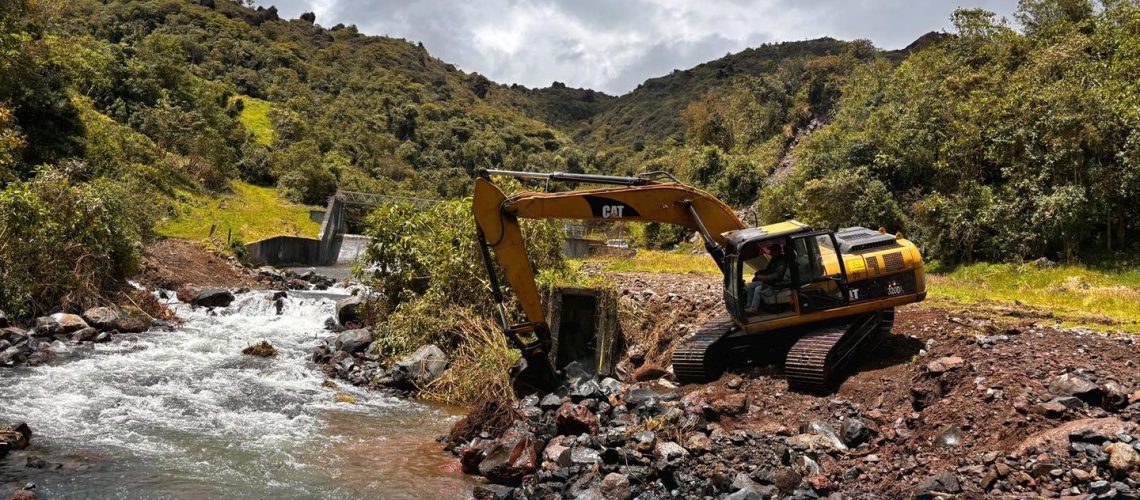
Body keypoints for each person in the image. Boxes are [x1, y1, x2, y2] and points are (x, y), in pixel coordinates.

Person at [746, 244, 788, 312]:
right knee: (750, 286)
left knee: (758, 289)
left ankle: (754, 309)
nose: (770, 252)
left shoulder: (782, 261)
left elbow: (778, 275)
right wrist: (760, 273)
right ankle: (749, 305)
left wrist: (765, 277)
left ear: (777, 251)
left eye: (772, 251)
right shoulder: (774, 259)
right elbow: (768, 270)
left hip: (776, 283)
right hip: (769, 281)